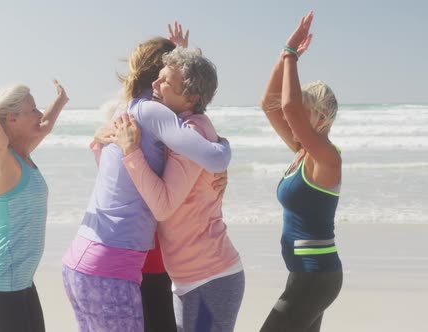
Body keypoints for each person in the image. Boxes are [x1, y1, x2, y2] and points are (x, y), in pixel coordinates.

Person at [62, 37, 232, 331]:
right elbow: (216, 159)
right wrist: (222, 144)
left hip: (79, 262)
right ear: (158, 74)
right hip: (111, 267)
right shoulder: (151, 112)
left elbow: (116, 176)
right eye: (165, 73)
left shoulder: (124, 111)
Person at [113, 47, 244, 332]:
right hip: (192, 277)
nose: (154, 87)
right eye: (157, 78)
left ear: (192, 98)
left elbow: (163, 206)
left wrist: (131, 152)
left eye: (164, 83)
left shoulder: (194, 133)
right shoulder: (185, 129)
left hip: (210, 277)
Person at [259, 11, 343, 332]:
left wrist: (292, 52)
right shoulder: (302, 152)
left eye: (305, 108)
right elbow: (270, 104)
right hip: (303, 274)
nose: (293, 113)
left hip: (316, 276)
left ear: (320, 116)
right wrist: (284, 57)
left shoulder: (327, 158)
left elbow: (290, 108)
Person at [0, 78, 69, 332]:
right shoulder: (2, 160)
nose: (39, 114)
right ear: (12, 119)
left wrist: (60, 100)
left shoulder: (23, 155)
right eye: (33, 110)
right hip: (1, 281)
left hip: (20, 280)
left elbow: (44, 126)